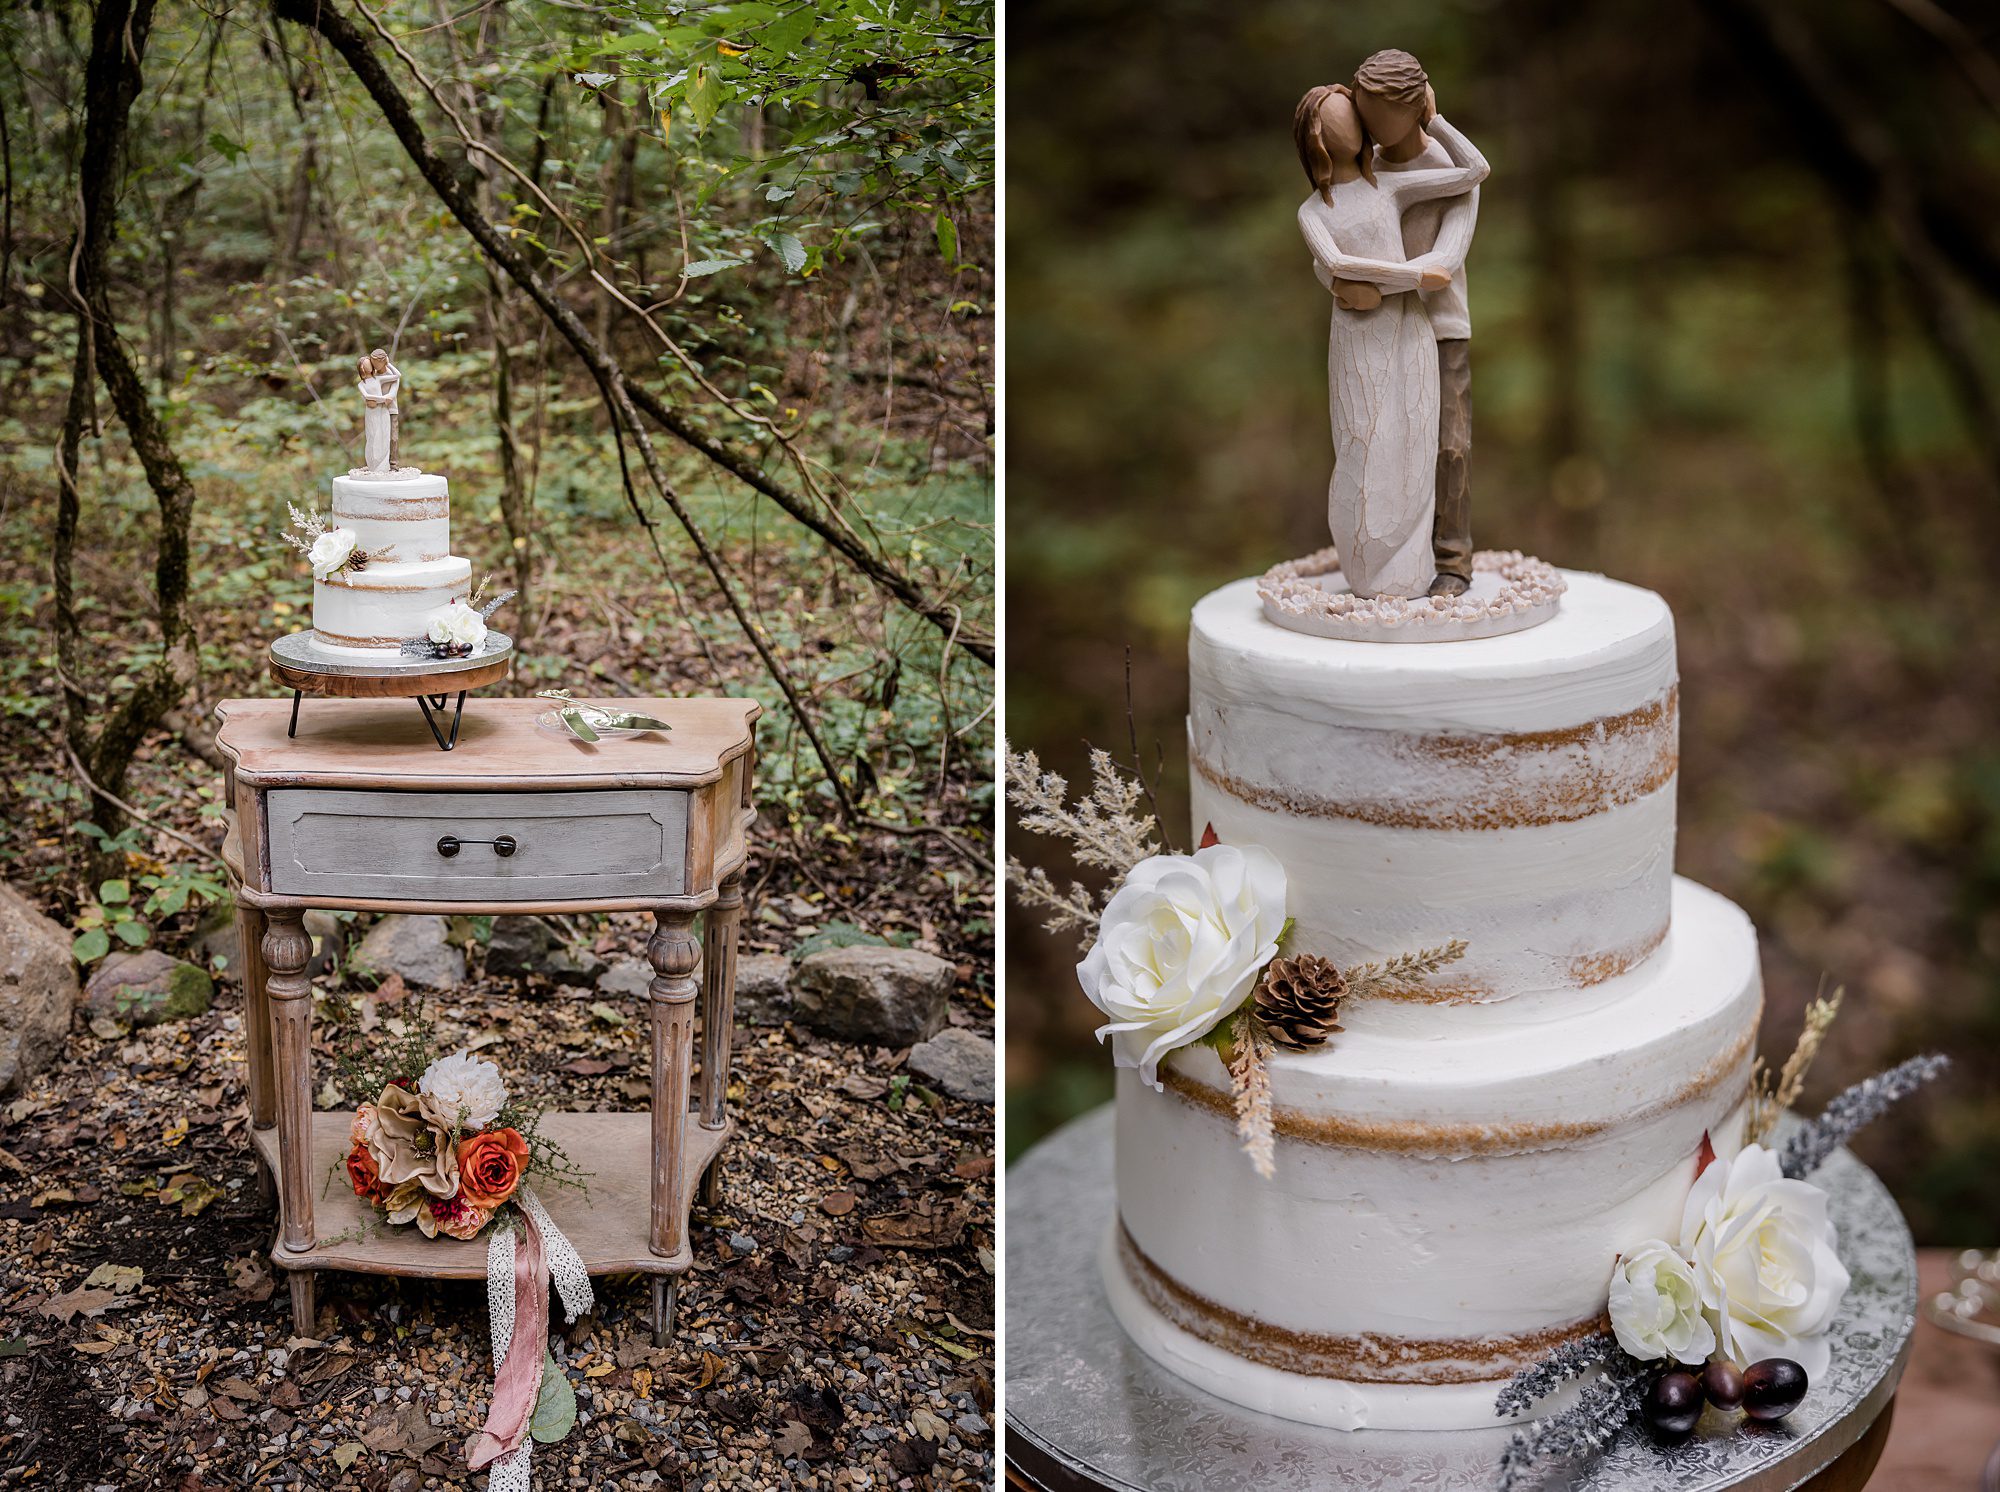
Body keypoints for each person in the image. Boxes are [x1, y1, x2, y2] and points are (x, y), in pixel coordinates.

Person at [1292, 83, 1486, 598]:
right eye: (1342, 113)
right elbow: (1332, 263)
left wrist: (1436, 119)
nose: (1352, 120)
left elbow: (1472, 174)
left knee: (1419, 438)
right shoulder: (1314, 210)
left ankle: (1421, 564)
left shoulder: (1392, 185)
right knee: (1362, 440)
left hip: (1418, 326)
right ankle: (1364, 562)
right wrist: (1400, 277)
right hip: (1360, 334)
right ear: (1315, 137)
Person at [1350, 49, 1480, 598]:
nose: (1367, 123)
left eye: (1378, 111)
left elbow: (1443, 267)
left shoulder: (1453, 172)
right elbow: (1337, 231)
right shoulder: (1365, 171)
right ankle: (1390, 559)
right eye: (1361, 109)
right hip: (1381, 331)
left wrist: (1368, 280)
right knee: (1385, 445)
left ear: (1414, 107)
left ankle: (1452, 559)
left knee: (1449, 445)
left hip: (1441, 327)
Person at [356, 355, 394, 474]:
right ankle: (373, 464)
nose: (369, 366)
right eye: (367, 363)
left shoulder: (377, 379)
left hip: (382, 410)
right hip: (372, 411)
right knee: (372, 435)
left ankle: (383, 465)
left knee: (384, 433)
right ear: (362, 367)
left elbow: (397, 376)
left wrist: (387, 364)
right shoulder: (361, 384)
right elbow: (367, 396)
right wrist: (383, 398)